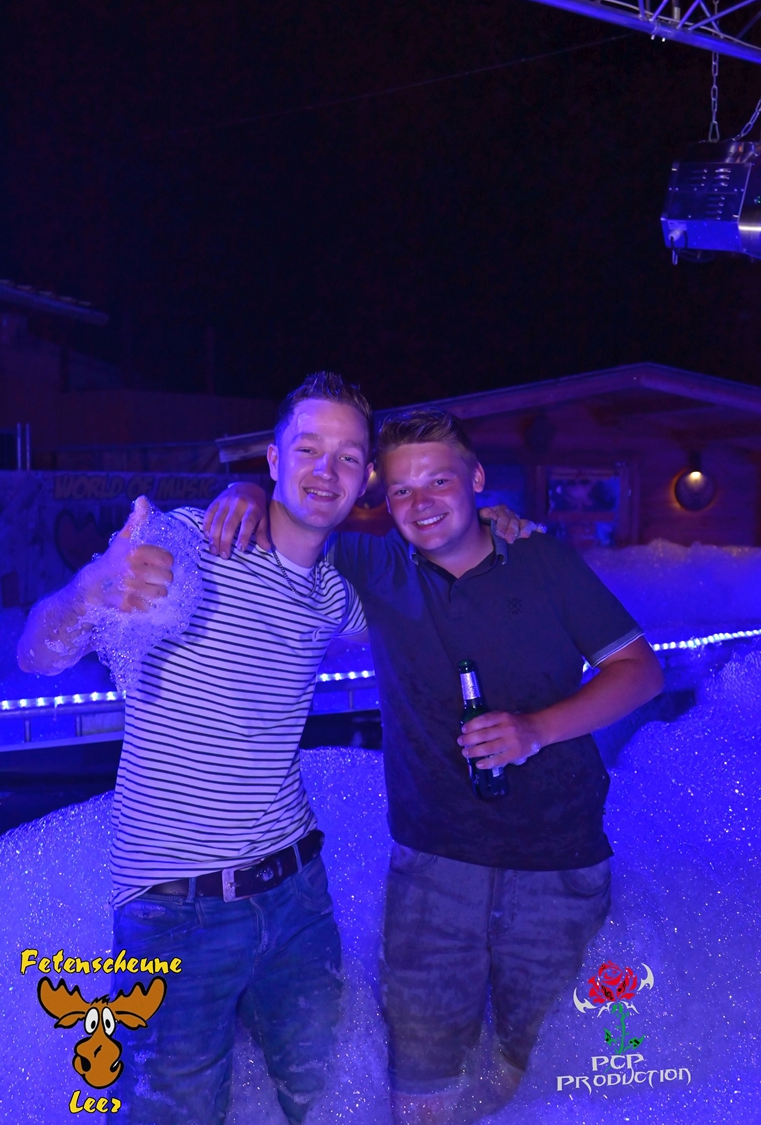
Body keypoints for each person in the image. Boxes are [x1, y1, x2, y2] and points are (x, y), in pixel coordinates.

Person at [206, 407, 664, 1125]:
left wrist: (535, 730)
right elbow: (296, 521)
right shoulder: (378, 567)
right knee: (420, 1073)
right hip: (431, 866)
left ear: (477, 480)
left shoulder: (544, 561)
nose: (420, 503)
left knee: (543, 1065)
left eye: (438, 482)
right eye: (400, 490)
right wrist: (248, 493)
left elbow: (640, 672)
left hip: (559, 860)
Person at [16, 373, 380, 1125]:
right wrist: (90, 592)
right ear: (272, 460)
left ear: (365, 477)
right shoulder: (187, 543)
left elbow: (433, 587)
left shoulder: (334, 597)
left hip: (299, 896)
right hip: (174, 909)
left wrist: (491, 524)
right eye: (307, 448)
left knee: (332, 1101)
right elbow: (35, 655)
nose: (326, 470)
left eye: (348, 456)